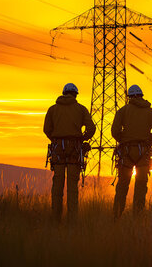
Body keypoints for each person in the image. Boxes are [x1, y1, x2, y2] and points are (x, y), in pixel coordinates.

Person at [43, 83, 95, 223]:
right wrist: (82, 139)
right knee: (73, 186)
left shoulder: (53, 109)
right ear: (75, 94)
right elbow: (91, 128)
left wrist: (55, 139)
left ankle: (55, 220)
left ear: (63, 93)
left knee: (57, 185)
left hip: (58, 150)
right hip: (74, 150)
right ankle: (72, 221)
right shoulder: (81, 109)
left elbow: (47, 128)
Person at [112, 84, 152, 218]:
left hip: (126, 153)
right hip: (144, 154)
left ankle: (117, 217)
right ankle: (138, 217)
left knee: (122, 186)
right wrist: (148, 142)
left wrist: (124, 140)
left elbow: (115, 131)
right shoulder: (151, 112)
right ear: (141, 96)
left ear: (129, 97)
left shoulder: (123, 111)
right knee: (141, 186)